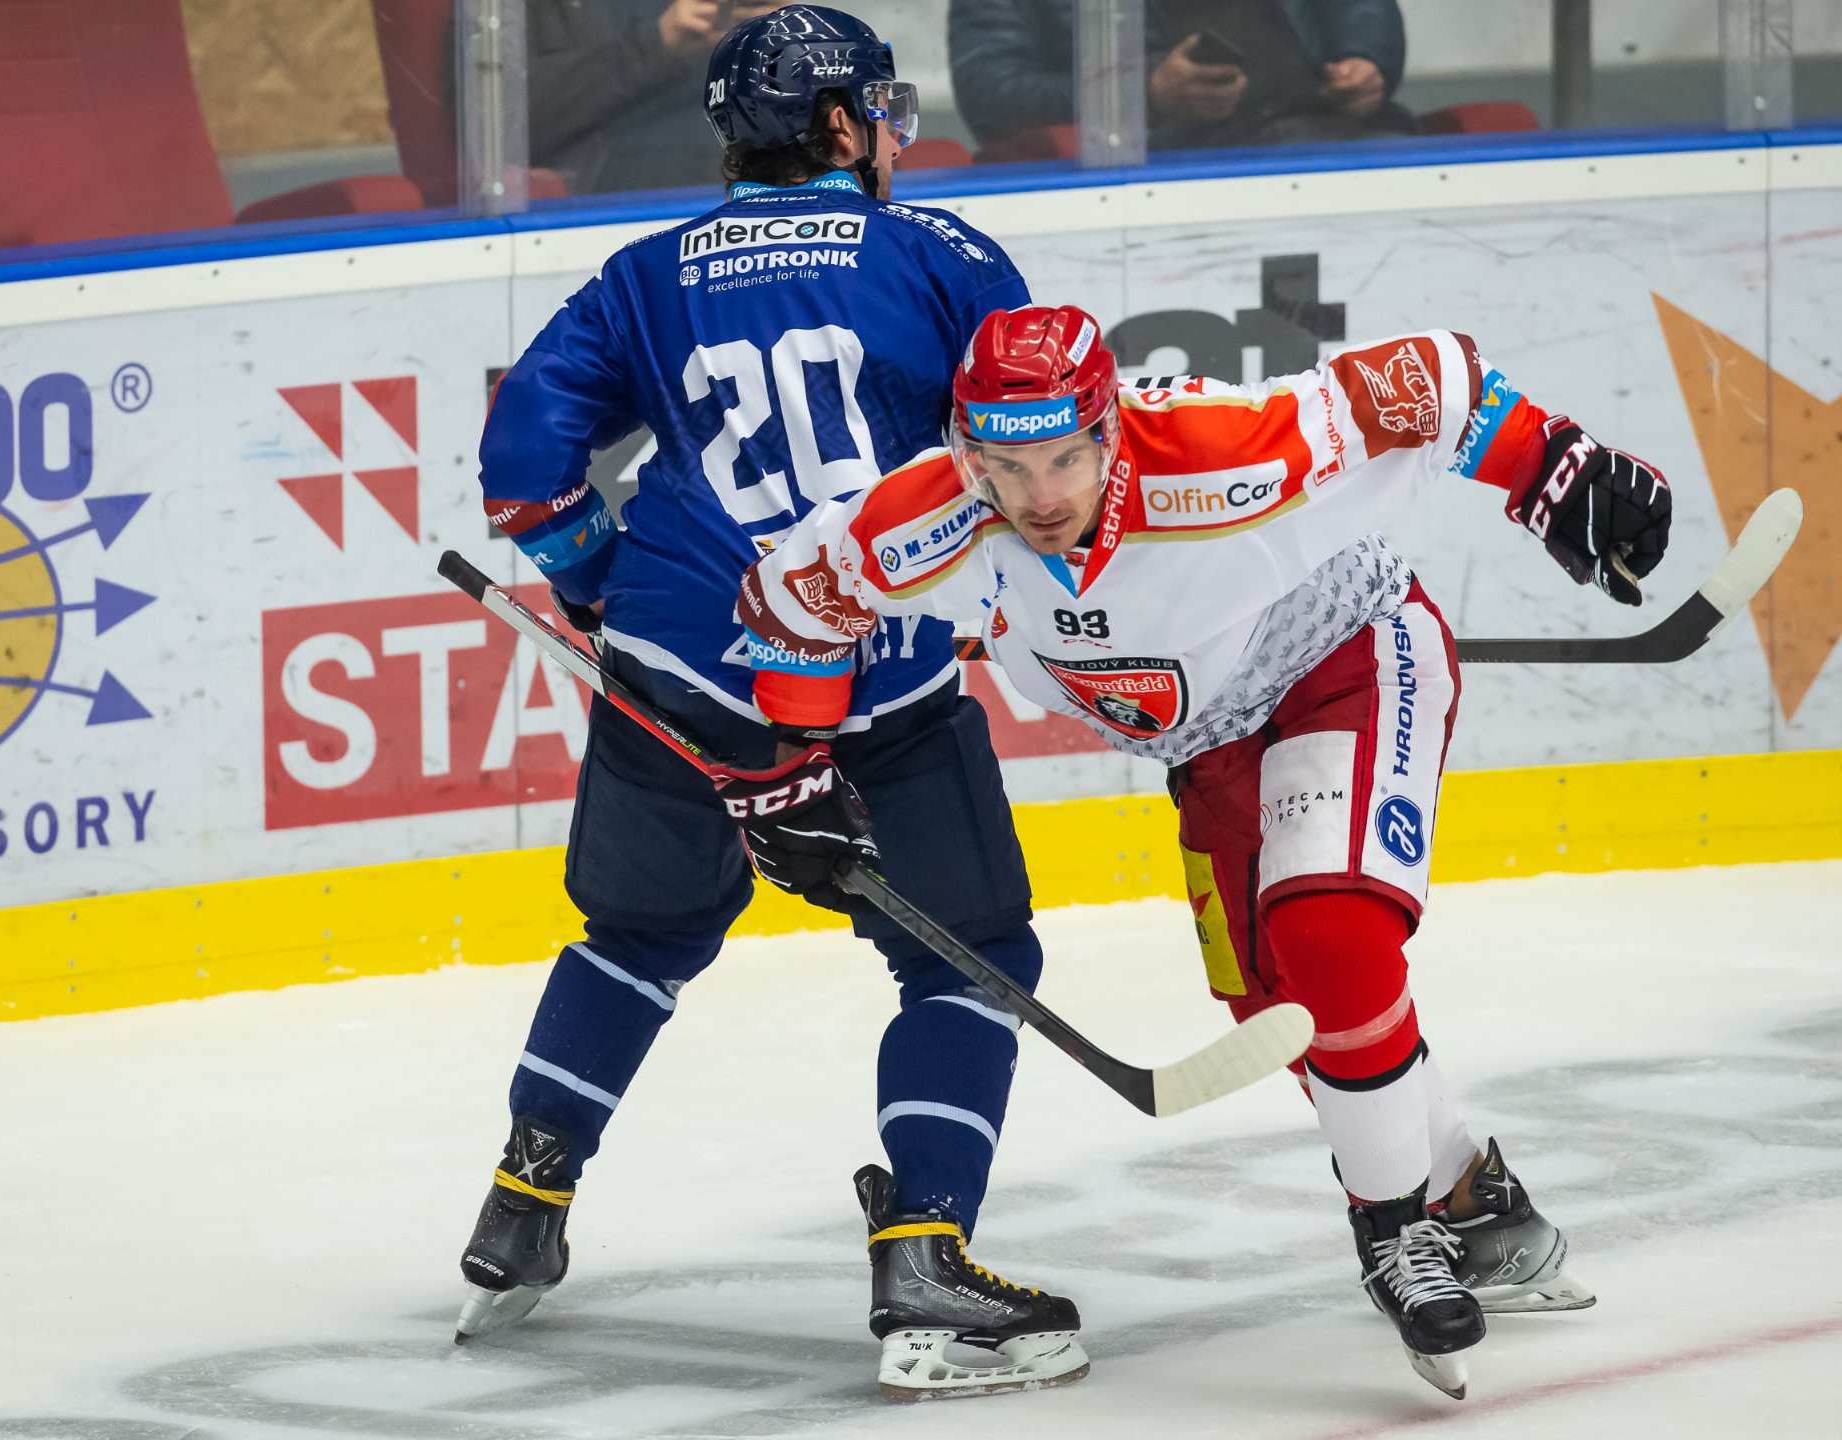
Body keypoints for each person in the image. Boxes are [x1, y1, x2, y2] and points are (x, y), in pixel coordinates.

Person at [740, 305, 1672, 1397]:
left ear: (1109, 431)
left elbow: (1431, 379)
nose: (1039, 498)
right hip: (1207, 742)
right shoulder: (934, 516)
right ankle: (1475, 1201)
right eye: (1006, 466)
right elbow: (795, 604)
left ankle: (1394, 1234)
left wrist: (1555, 466)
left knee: (1329, 933)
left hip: (1347, 656)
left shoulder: (1220, 453)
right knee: (1275, 1005)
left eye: (1064, 459)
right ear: (968, 451)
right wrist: (791, 770)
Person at [457, 6, 1090, 1400]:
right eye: (882, 111)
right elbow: (1034, 445)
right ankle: (924, 1247)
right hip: (881, 677)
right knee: (971, 956)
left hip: (682, 669)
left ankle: (526, 1195)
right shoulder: (940, 254)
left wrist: (602, 591)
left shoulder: (644, 273)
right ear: (844, 125)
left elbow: (524, 469)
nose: (893, 135)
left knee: (639, 936)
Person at [951, 0, 1413, 155]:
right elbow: (990, 93)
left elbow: (1360, 9)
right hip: (1168, 167)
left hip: (1341, 131)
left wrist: (1366, 59)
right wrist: (1141, 93)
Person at [452, 0, 786, 194]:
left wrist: (784, 40)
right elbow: (499, 131)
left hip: (748, 189)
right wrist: (655, 44)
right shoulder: (505, 11)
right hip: (613, 203)